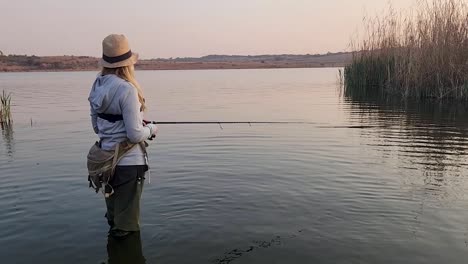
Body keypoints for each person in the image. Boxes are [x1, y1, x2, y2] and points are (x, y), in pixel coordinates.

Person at [88, 34, 157, 238]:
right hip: (128, 165)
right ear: (127, 64)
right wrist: (152, 129)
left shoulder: (97, 85)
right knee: (126, 226)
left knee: (114, 218)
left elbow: (97, 126)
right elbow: (135, 135)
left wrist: (130, 123)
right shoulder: (127, 89)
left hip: (106, 162)